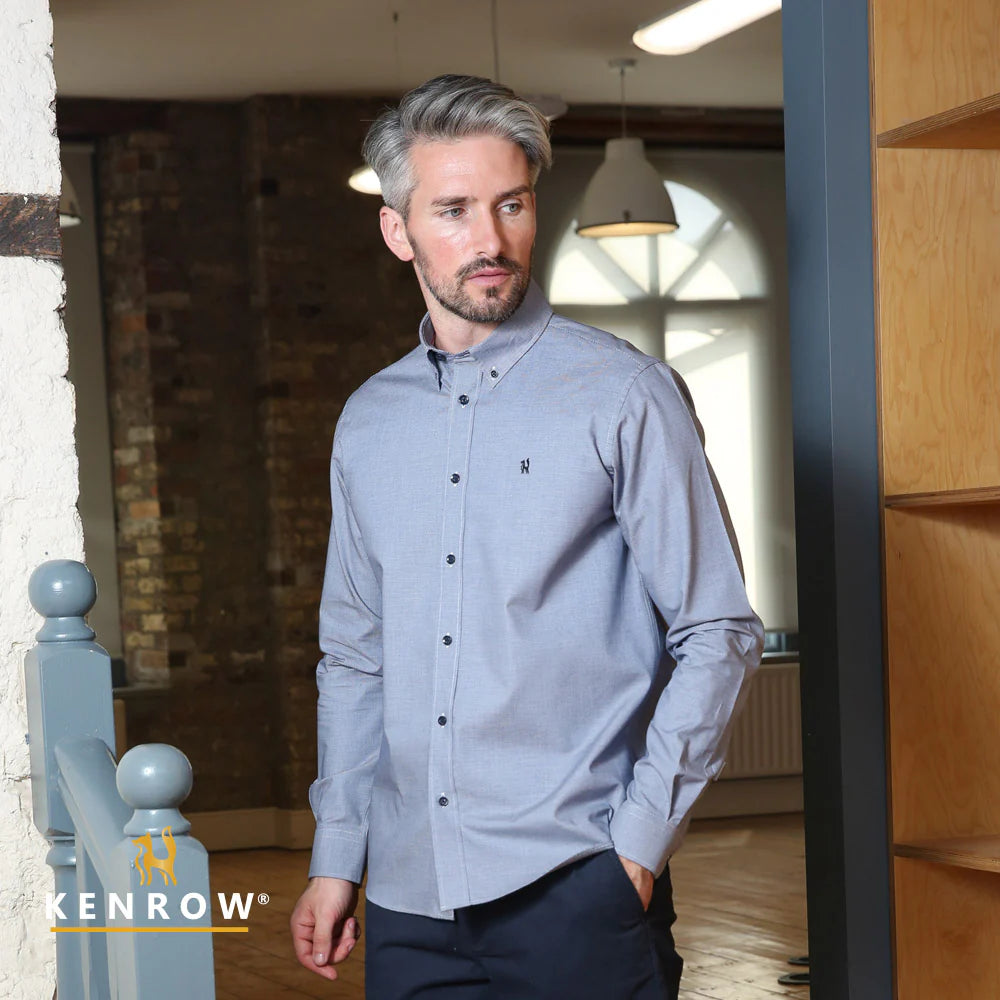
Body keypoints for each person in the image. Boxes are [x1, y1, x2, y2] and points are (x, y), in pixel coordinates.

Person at [290, 74, 764, 999]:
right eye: (454, 210)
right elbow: (354, 656)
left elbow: (718, 629)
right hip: (407, 898)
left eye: (511, 204)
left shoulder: (625, 395)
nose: (491, 240)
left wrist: (637, 849)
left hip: (578, 884)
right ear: (398, 231)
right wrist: (337, 855)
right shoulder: (368, 422)